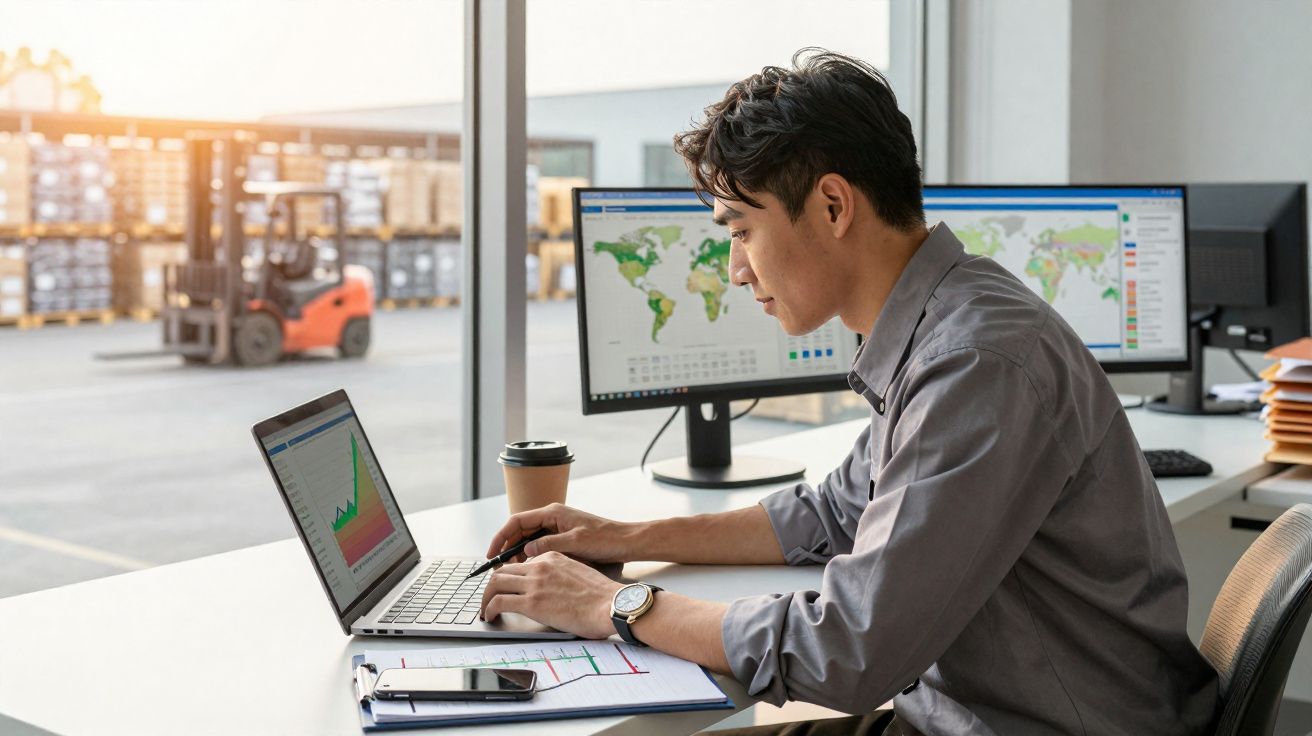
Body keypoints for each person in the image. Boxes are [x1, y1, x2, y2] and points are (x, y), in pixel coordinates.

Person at [478, 49, 1219, 735]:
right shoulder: (950, 321)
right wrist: (620, 538)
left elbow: (851, 651)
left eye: (739, 228)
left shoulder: (975, 362)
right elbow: (832, 513)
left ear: (833, 206)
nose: (735, 269)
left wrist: (616, 604)